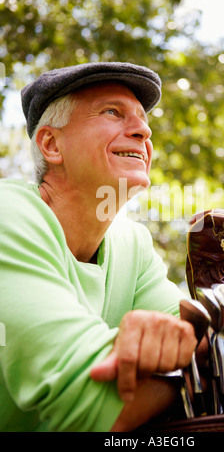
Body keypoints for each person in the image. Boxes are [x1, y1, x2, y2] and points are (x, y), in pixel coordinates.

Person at [0, 62, 198, 432]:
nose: (144, 130)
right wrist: (187, 363)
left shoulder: (133, 243)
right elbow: (91, 406)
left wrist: (185, 350)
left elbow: (202, 342)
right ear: (52, 144)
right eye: (112, 112)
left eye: (142, 120)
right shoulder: (7, 214)